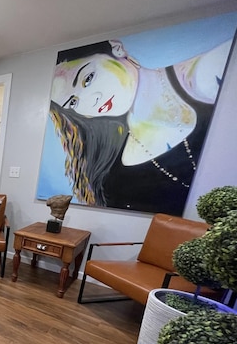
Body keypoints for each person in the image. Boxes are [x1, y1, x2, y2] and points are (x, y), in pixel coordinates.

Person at [49, 38, 231, 215]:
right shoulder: (113, 171)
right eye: (73, 102)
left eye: (87, 79)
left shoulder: (208, 74)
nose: (91, 100)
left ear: (117, 49)